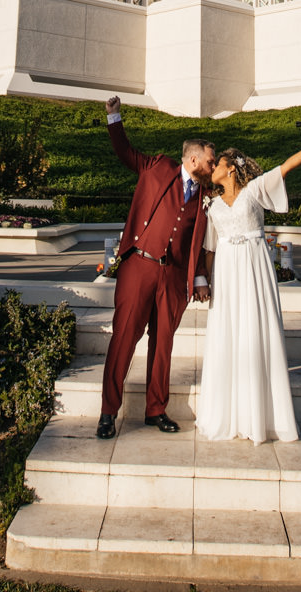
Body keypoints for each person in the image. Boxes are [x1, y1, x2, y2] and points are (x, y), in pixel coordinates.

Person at [195, 129, 301, 443]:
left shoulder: (254, 190)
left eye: (218, 164)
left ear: (231, 168)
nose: (212, 168)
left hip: (254, 268)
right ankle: (228, 414)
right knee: (228, 333)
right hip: (226, 272)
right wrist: (206, 282)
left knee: (257, 331)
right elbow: (210, 248)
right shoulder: (210, 206)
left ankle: (262, 417)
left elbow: (286, 166)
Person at [95, 94, 215, 439]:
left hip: (173, 278)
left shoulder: (206, 196)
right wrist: (114, 116)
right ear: (193, 158)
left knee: (163, 344)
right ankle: (108, 412)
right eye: (209, 160)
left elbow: (199, 240)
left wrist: (198, 277)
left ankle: (156, 409)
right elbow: (125, 152)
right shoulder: (157, 167)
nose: (212, 165)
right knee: (124, 338)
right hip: (140, 267)